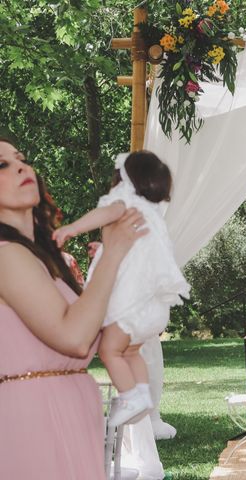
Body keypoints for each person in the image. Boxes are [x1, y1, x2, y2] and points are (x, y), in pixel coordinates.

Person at [0, 136, 146, 478]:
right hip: (31, 417)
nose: (22, 166)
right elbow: (74, 337)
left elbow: (91, 332)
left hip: (70, 408)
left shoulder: (43, 258)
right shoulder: (5, 254)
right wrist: (113, 252)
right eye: (1, 164)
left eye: (21, 158)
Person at [53, 150, 190, 427]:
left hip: (131, 306)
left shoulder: (123, 202)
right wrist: (105, 249)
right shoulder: (151, 213)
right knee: (130, 352)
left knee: (109, 351)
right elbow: (139, 253)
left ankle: (130, 395)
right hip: (153, 309)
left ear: (126, 180)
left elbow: (103, 213)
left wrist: (72, 228)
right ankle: (141, 394)